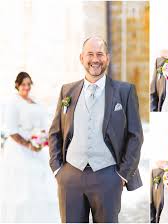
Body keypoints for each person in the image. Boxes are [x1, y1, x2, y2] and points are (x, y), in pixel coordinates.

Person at [49, 36, 143, 223]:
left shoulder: (124, 91)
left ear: (107, 58)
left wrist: (122, 175)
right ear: (81, 58)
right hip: (70, 176)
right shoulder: (67, 91)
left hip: (108, 176)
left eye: (100, 54)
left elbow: (135, 136)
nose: (95, 59)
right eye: (90, 54)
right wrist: (57, 169)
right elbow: (55, 132)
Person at [0, 72, 59, 222]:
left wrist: (43, 138)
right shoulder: (13, 102)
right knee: (24, 188)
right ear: (17, 85)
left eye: (28, 84)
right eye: (23, 84)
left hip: (37, 149)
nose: (26, 87)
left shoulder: (35, 102)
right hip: (19, 151)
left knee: (42, 183)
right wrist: (28, 144)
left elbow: (43, 124)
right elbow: (11, 130)